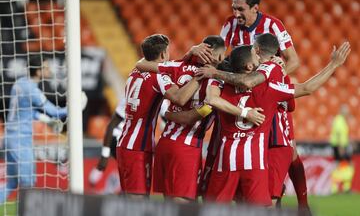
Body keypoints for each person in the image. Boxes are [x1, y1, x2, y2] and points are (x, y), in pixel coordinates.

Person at [203, 38, 350, 206]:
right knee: (261, 210)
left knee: (214, 209)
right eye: (256, 57)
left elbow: (212, 98)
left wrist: (214, 72)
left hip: (226, 160)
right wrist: (333, 65)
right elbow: (307, 88)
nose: (260, 60)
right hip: (254, 163)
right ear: (250, 67)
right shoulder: (269, 89)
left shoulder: (221, 87)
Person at [137, 35, 265, 203]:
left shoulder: (179, 66)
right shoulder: (218, 80)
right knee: (184, 207)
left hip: (166, 143)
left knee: (169, 207)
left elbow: (140, 64)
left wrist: (188, 53)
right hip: (186, 147)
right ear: (218, 57)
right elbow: (246, 80)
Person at [116, 34, 203, 199]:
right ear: (163, 54)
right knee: (138, 203)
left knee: (129, 201)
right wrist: (199, 77)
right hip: (139, 147)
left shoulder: (136, 70)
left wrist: (188, 55)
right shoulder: (159, 77)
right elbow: (180, 98)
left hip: (124, 142)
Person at [0, 55, 87, 203]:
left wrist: (46, 120)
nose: (49, 70)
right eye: (46, 67)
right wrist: (75, 106)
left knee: (12, 183)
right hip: (21, 141)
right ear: (39, 71)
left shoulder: (19, 83)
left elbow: (27, 111)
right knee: (29, 186)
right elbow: (54, 111)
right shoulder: (32, 90)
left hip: (9, 138)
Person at [88, 98, 125, 188]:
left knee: (130, 175)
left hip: (130, 140)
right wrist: (104, 156)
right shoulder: (130, 95)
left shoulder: (157, 96)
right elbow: (111, 125)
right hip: (118, 139)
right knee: (129, 173)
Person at [329, 104, 354, 194]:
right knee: (345, 166)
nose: (347, 113)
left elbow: (343, 134)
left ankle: (341, 187)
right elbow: (339, 134)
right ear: (343, 111)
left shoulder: (341, 120)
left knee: (342, 166)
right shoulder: (339, 120)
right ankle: (338, 188)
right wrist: (340, 147)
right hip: (339, 146)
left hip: (342, 146)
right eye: (346, 112)